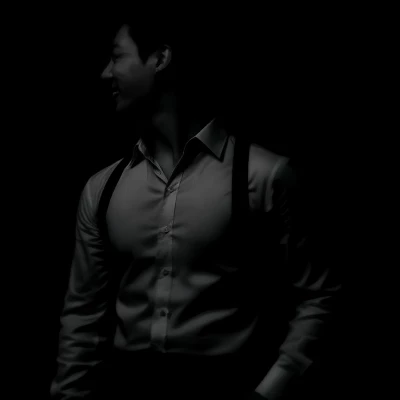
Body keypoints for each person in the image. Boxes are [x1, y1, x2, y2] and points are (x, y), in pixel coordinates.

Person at [50, 18, 341, 400]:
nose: (106, 73)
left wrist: (270, 391)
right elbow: (83, 316)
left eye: (117, 57)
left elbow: (321, 296)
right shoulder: (103, 188)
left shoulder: (264, 176)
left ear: (160, 58)